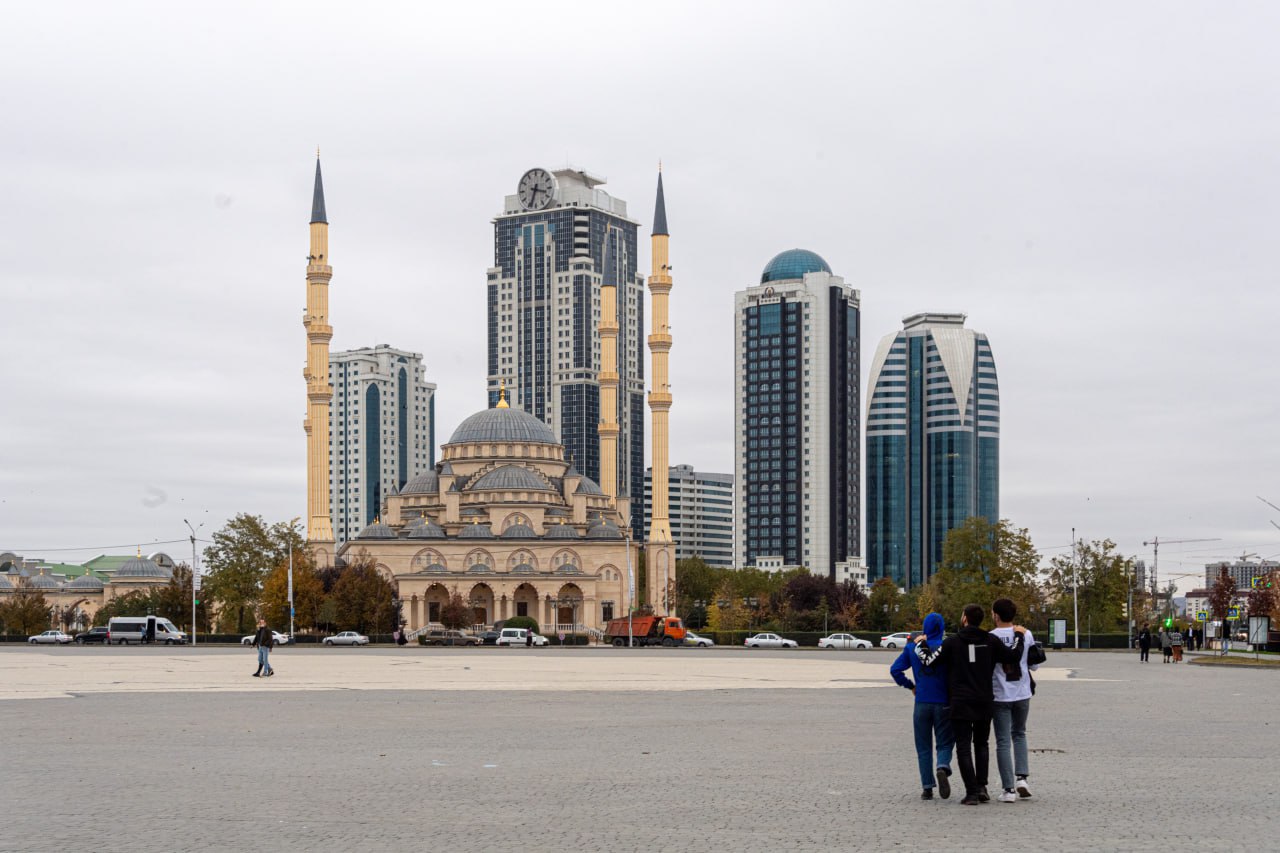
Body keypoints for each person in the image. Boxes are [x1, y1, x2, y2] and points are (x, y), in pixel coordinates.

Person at [915, 604, 1026, 805]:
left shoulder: (952, 642)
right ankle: (982, 787)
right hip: (984, 699)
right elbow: (1013, 656)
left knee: (963, 747)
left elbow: (929, 661)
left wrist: (920, 644)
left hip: (960, 701)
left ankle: (971, 792)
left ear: (965, 618)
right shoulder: (990, 640)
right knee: (982, 744)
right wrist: (1018, 636)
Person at [889, 612, 955, 800]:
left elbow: (895, 670)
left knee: (923, 746)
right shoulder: (947, 647)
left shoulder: (912, 648)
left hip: (922, 702)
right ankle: (942, 765)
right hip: (943, 701)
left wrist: (910, 685)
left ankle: (927, 787)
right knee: (945, 741)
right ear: (942, 628)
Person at [990, 599, 1038, 803]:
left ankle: (1008, 789)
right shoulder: (1026, 634)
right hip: (1022, 692)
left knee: (1002, 741)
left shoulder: (991, 636)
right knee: (1019, 734)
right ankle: (1022, 778)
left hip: (1000, 693)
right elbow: (1034, 665)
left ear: (996, 615)